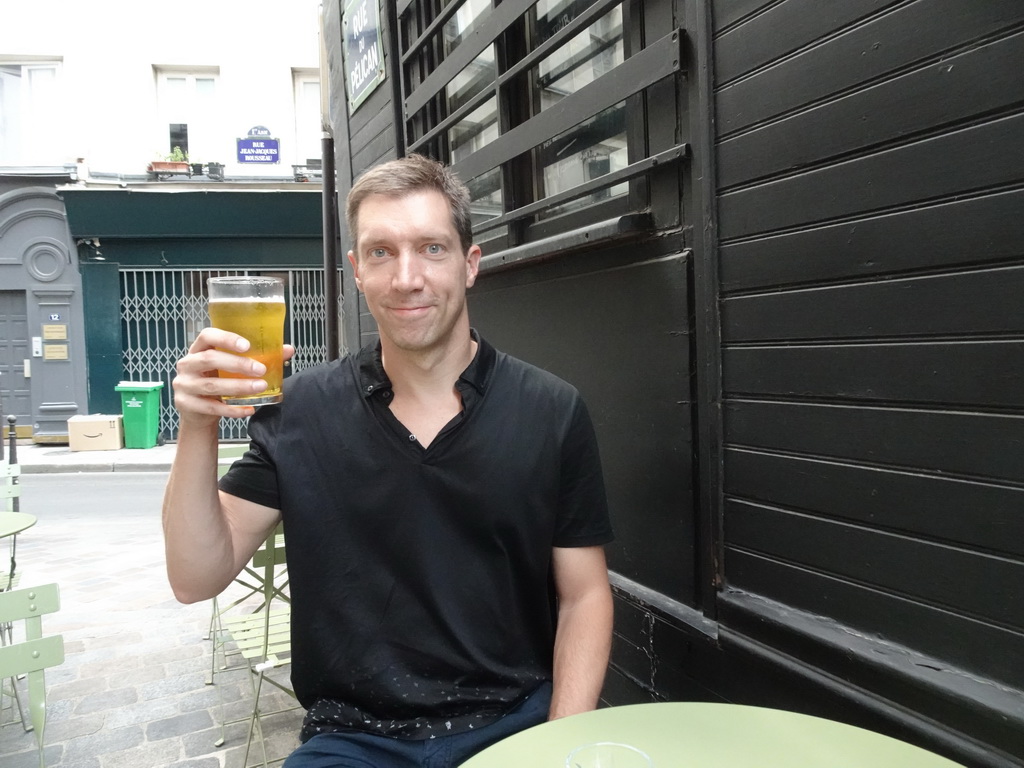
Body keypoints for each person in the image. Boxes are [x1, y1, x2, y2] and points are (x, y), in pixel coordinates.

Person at [163, 154, 614, 767]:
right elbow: (195, 577)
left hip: (513, 725)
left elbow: (585, 595)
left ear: (469, 264)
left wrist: (561, 744)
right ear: (355, 271)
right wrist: (196, 426)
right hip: (352, 741)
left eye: (431, 248)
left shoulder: (551, 410)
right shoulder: (298, 412)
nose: (407, 277)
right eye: (381, 252)